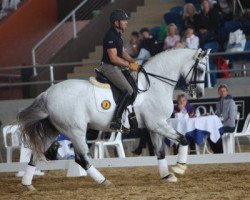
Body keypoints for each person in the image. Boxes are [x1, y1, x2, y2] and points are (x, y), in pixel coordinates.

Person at [100, 9, 139, 130]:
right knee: (128, 90)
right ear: (116, 22)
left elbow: (122, 52)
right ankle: (116, 119)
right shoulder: (110, 36)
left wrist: (134, 62)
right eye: (124, 20)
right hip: (108, 67)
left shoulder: (117, 34)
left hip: (116, 66)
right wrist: (128, 65)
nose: (126, 23)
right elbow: (113, 58)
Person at [208, 84, 236, 153]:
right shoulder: (218, 102)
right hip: (221, 126)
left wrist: (220, 125)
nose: (222, 92)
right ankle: (217, 152)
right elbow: (218, 117)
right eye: (221, 91)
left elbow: (231, 119)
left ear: (227, 92)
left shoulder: (231, 102)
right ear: (219, 92)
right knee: (209, 134)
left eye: (224, 91)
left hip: (230, 126)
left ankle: (220, 152)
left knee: (215, 133)